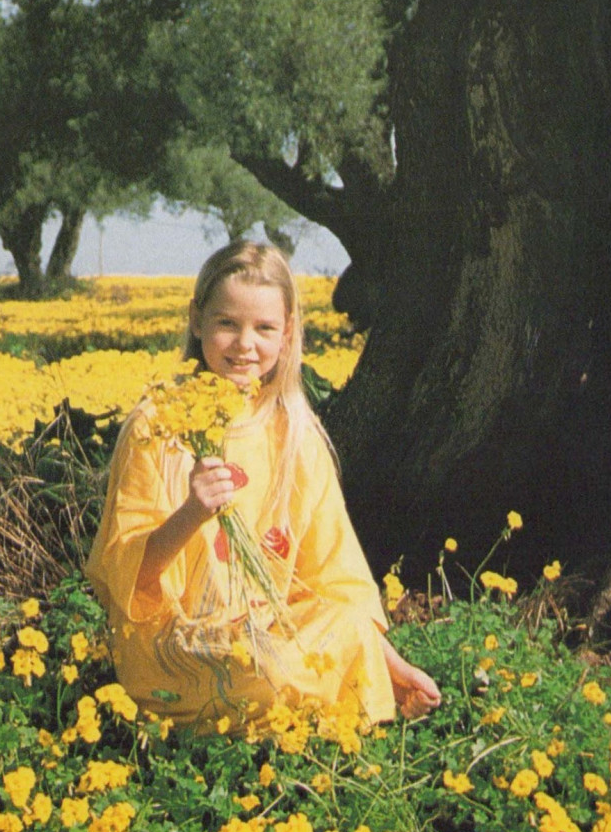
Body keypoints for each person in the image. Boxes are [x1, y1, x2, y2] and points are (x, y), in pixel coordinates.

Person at [86, 242, 440, 732]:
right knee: (266, 671)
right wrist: (192, 511)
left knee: (329, 632)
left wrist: (391, 664)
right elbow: (126, 578)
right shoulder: (156, 427)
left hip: (267, 633)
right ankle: (306, 704)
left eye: (265, 328)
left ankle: (333, 693)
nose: (244, 345)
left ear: (288, 332)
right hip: (175, 643)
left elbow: (334, 578)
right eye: (227, 323)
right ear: (196, 320)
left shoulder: (295, 432)